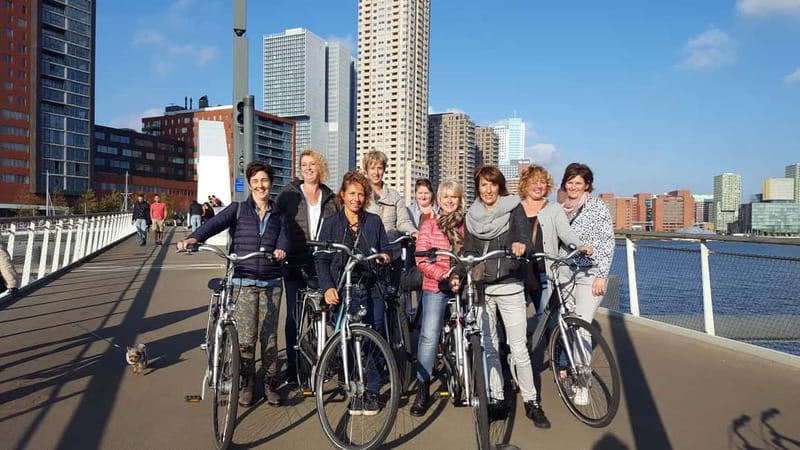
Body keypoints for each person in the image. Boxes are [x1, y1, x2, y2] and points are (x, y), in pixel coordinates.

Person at [177, 161, 289, 407]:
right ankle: (247, 382)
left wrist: (282, 248)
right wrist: (194, 237)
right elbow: (214, 224)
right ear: (250, 184)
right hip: (243, 280)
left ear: (270, 183)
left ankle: (270, 383)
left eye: (264, 181)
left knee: (269, 338)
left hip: (271, 281)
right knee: (246, 338)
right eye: (255, 181)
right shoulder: (238, 209)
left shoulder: (279, 213)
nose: (260, 185)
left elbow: (285, 236)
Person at [463, 164, 551, 429]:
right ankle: (496, 399)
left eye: (492, 184)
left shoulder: (514, 209)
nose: (488, 189)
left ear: (499, 186)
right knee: (489, 347)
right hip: (483, 287)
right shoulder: (472, 216)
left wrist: (520, 245)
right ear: (478, 188)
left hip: (510, 284)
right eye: (483, 185)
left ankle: (532, 402)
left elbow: (524, 236)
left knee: (518, 347)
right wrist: (463, 269)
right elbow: (469, 249)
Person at [314, 169, 391, 416]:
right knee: (346, 338)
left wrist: (384, 256)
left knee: (372, 334)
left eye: (361, 194)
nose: (356, 198)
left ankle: (373, 390)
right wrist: (327, 287)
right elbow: (321, 260)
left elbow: (386, 249)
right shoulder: (331, 224)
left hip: (371, 286)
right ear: (342, 195)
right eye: (352, 193)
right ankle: (353, 388)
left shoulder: (374, 221)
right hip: (342, 287)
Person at [275, 149, 338, 384]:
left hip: (320, 263)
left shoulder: (331, 197)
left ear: (320, 167)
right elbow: (277, 223)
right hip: (294, 260)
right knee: (293, 314)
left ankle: (320, 360)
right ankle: (292, 364)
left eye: (312, 164)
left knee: (321, 314)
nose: (308, 168)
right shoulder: (289, 194)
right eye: (304, 165)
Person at [410, 179, 464, 417]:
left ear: (460, 199)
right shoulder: (429, 225)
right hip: (436, 283)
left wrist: (460, 276)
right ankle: (423, 386)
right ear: (439, 200)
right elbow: (421, 259)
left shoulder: (467, 225)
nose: (450, 201)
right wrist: (443, 274)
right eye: (446, 197)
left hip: (463, 283)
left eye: (454, 197)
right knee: (430, 334)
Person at [518, 164, 588, 317]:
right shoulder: (515, 209)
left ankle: (550, 341)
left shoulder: (554, 208)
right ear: (525, 185)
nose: (539, 186)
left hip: (544, 272)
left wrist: (579, 247)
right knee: (514, 319)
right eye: (534, 182)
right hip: (519, 272)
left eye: (542, 182)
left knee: (545, 317)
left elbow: (566, 232)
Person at [557, 163, 614, 327]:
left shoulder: (596, 206)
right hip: (564, 273)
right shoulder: (559, 210)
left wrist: (601, 276)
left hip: (589, 272)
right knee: (569, 324)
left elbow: (608, 242)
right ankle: (564, 354)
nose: (573, 187)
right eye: (570, 182)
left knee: (582, 325)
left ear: (587, 185)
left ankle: (579, 354)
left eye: (578, 183)